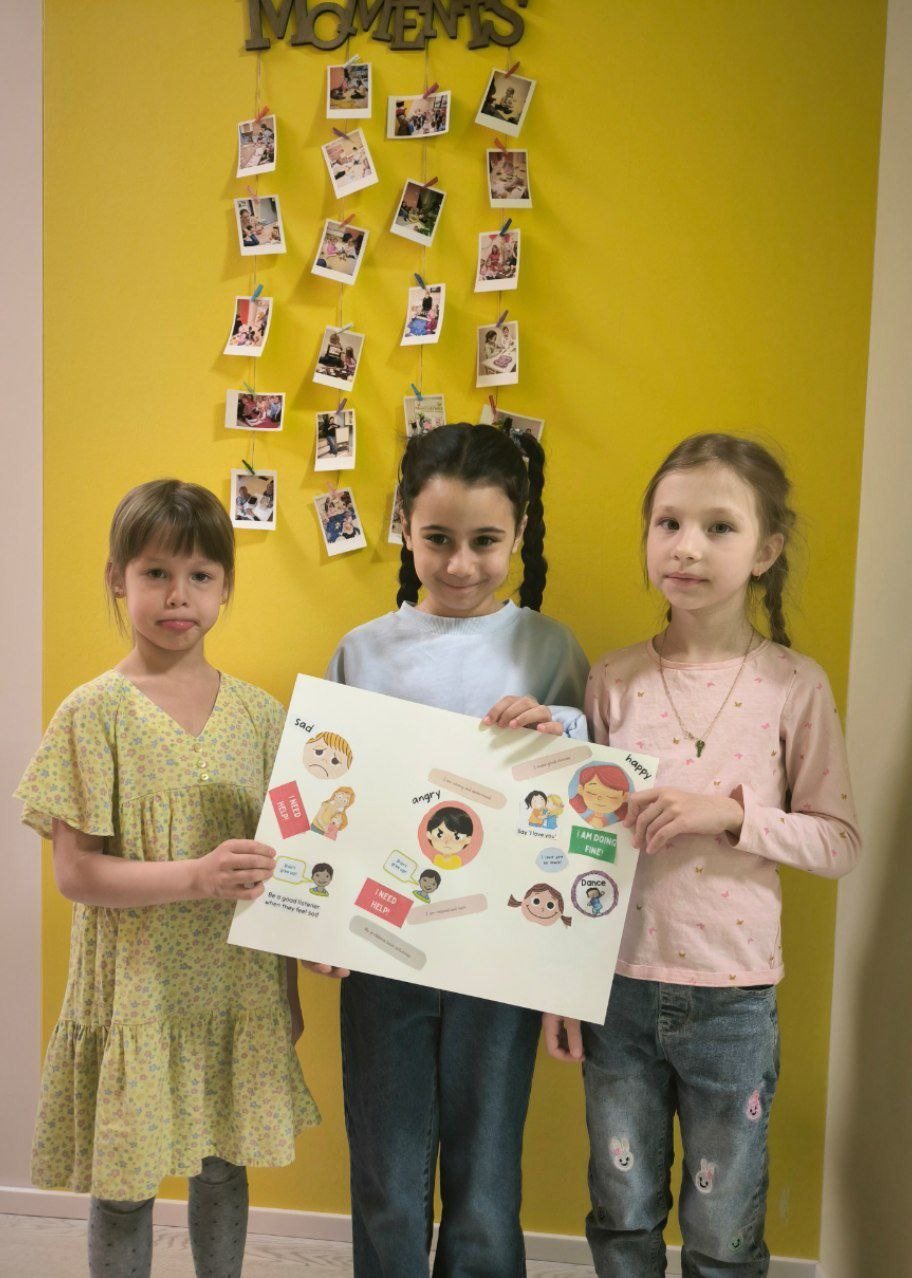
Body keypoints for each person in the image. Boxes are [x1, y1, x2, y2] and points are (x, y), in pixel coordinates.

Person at [544, 433, 861, 1277]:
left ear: (766, 551)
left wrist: (729, 814)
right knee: (622, 1216)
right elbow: (578, 848)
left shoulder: (793, 684)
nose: (687, 546)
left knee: (724, 1233)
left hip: (734, 999)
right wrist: (561, 987)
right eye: (669, 523)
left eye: (719, 527)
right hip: (617, 988)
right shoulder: (612, 680)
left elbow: (838, 841)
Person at [14, 479, 319, 1278]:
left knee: (223, 1167)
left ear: (225, 587)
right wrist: (196, 877)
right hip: (138, 994)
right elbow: (77, 873)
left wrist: (285, 989)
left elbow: (282, 870)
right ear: (117, 579)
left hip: (234, 987)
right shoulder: (93, 713)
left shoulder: (262, 717)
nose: (178, 595)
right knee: (124, 1187)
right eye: (155, 573)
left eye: (199, 575)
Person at [309, 422, 589, 1276]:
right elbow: (331, 796)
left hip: (500, 957)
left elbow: (586, 808)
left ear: (519, 532)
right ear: (402, 525)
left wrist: (557, 726)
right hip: (382, 948)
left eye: (485, 542)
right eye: (437, 539)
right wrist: (320, 919)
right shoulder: (362, 651)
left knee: (486, 1178)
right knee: (388, 1173)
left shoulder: (549, 649)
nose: (460, 565)